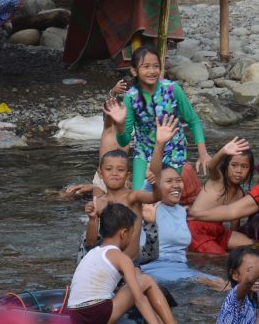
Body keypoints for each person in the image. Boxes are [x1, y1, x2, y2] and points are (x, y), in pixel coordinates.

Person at [68, 202, 199, 324]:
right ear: (124, 233)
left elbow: (94, 294)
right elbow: (139, 299)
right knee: (146, 280)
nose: (131, 238)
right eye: (131, 233)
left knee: (108, 293)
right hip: (96, 317)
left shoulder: (93, 253)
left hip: (77, 321)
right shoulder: (122, 258)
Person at [103, 45, 210, 190]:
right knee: (139, 195)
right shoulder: (131, 97)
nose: (152, 71)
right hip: (144, 152)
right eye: (146, 66)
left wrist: (203, 153)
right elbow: (124, 141)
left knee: (167, 195)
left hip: (173, 150)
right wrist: (120, 124)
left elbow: (193, 121)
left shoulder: (173, 89)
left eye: (156, 66)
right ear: (134, 71)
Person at [138, 117, 222, 285]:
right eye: (169, 182)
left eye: (178, 180)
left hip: (181, 269)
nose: (176, 185)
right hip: (153, 271)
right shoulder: (150, 202)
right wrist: (160, 145)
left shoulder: (179, 210)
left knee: (220, 284)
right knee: (212, 283)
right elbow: (154, 173)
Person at [80, 119, 172, 262]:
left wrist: (154, 185)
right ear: (100, 173)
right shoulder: (99, 202)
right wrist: (92, 219)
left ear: (128, 175)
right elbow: (91, 243)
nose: (115, 173)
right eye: (109, 169)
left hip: (131, 263)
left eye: (121, 170)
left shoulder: (133, 197)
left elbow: (156, 197)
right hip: (107, 266)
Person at [187, 136, 256, 254]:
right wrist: (223, 151)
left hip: (219, 232)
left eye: (244, 167)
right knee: (222, 257)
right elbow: (211, 166)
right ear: (226, 166)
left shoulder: (239, 194)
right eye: (234, 165)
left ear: (250, 170)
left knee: (254, 245)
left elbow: (234, 226)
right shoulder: (217, 179)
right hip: (196, 229)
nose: (239, 171)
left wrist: (237, 246)